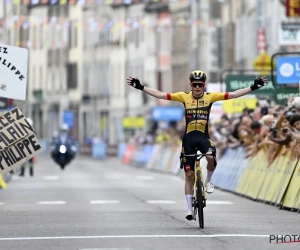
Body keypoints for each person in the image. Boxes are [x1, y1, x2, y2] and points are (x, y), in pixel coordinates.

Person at [126, 70, 268, 220]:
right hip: (188, 139)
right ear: (191, 85)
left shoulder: (210, 97)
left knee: (210, 156)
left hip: (203, 137)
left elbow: (233, 95)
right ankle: (189, 210)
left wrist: (253, 87)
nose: (198, 87)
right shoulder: (184, 96)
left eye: (200, 85)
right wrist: (141, 87)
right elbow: (161, 95)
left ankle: (208, 181)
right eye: (195, 85)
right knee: (189, 175)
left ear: (204, 85)